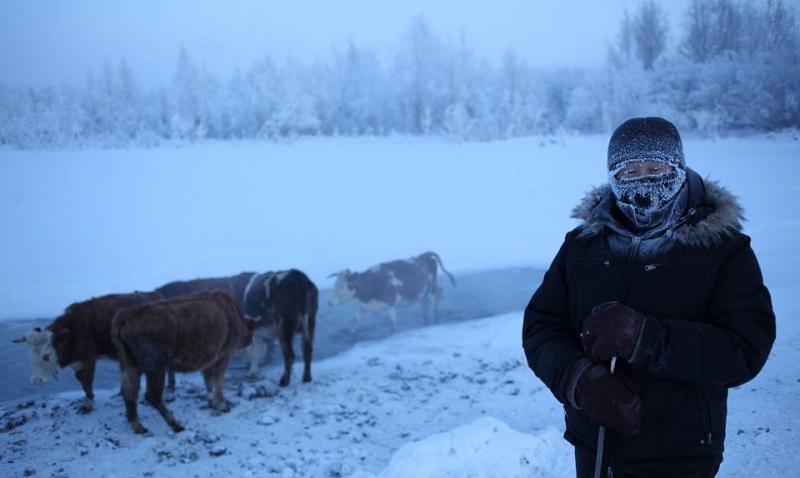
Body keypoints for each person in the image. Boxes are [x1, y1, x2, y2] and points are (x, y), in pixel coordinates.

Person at [521, 117, 776, 478]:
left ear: (678, 168)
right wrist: (578, 381)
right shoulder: (581, 246)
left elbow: (744, 350)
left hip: (679, 454)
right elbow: (540, 327)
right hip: (593, 448)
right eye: (629, 171)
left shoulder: (723, 250)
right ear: (612, 176)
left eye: (655, 168)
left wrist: (645, 338)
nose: (643, 181)